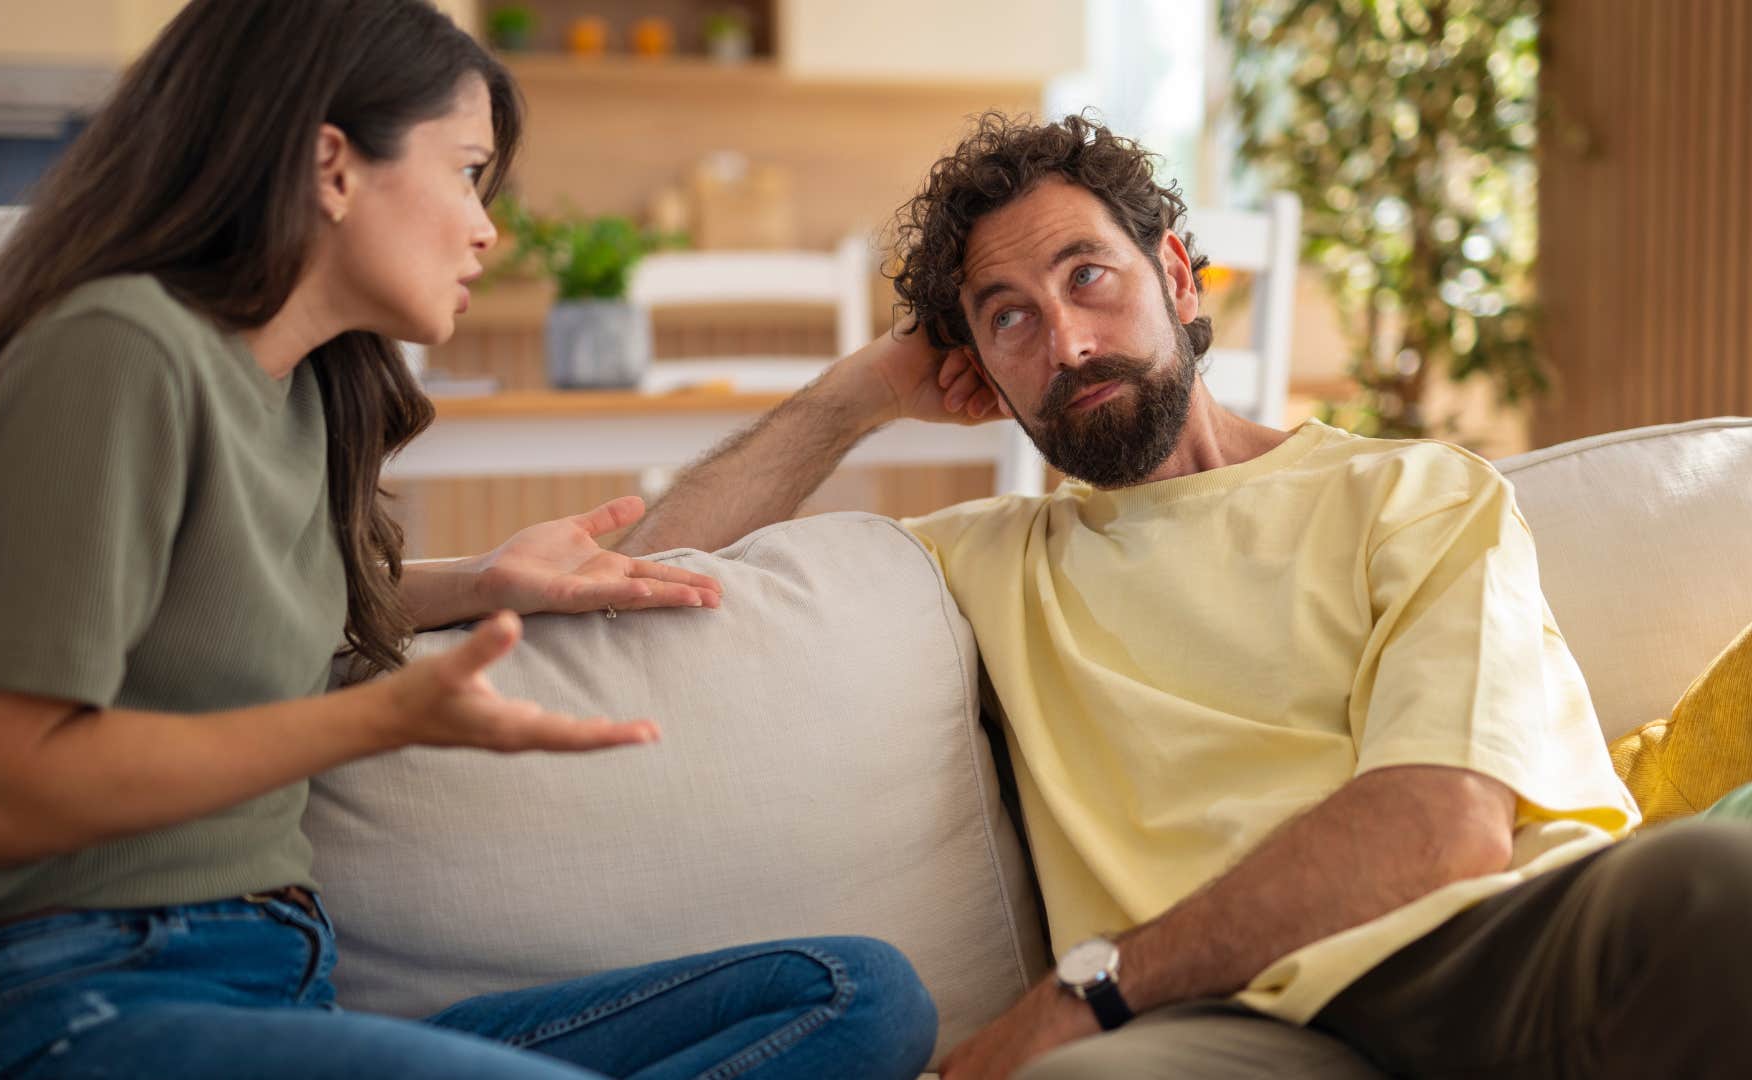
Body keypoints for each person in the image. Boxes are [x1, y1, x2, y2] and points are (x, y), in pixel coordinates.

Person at [0, 2, 937, 1077]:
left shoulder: (302, 391)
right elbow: (4, 789)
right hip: (64, 992)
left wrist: (485, 581)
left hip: (280, 987)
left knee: (858, 997)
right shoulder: (116, 353)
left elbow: (210, 603)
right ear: (332, 165)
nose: (487, 227)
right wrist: (377, 717)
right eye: (466, 170)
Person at [617, 112, 1752, 1078]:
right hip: (1224, 1027)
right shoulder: (987, 560)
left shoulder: (1412, 491)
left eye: (1088, 278)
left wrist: (1086, 991)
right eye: (1007, 316)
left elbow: (1440, 828)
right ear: (975, 366)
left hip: (1492, 952)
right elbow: (648, 573)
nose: (1064, 340)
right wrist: (859, 393)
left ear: (1174, 273)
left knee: (1714, 885)